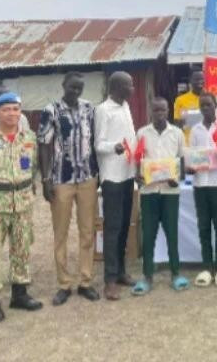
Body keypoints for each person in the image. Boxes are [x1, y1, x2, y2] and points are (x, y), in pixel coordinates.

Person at [0, 91, 43, 321]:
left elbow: (32, 168)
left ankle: (19, 294)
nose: (12, 113)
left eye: (16, 109)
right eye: (6, 109)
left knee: (21, 248)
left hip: (22, 202)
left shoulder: (29, 138)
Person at [37, 72, 100, 307]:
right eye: (72, 87)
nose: (75, 92)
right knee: (60, 232)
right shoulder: (51, 110)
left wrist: (98, 174)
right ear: (64, 86)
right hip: (61, 178)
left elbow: (94, 140)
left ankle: (85, 281)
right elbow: (43, 145)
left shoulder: (89, 109)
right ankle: (64, 283)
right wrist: (45, 179)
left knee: (87, 231)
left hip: (87, 178)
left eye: (79, 88)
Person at [132, 98, 188, 295]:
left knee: (172, 233)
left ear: (168, 111)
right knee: (149, 235)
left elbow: (182, 160)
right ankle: (147, 276)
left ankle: (175, 273)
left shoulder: (177, 133)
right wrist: (138, 175)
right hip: (149, 192)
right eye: (156, 110)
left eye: (163, 110)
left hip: (170, 191)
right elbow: (136, 160)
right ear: (151, 111)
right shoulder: (142, 133)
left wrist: (178, 178)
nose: (159, 113)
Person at [94, 71, 137, 301]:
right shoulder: (103, 110)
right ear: (117, 87)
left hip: (128, 173)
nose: (132, 88)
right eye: (129, 85)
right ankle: (109, 280)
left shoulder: (126, 107)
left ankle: (120, 272)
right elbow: (98, 144)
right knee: (112, 228)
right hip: (111, 177)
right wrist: (114, 147)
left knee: (123, 226)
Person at [187, 93, 217, 288]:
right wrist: (191, 166)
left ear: (216, 106)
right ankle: (206, 267)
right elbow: (192, 156)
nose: (205, 108)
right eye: (202, 105)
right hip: (200, 184)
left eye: (209, 105)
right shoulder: (195, 130)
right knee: (204, 226)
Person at [174, 69, 205, 143]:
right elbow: (177, 123)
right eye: (197, 79)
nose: (200, 81)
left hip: (206, 142)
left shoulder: (210, 98)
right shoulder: (180, 100)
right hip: (188, 142)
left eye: (202, 79)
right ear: (190, 81)